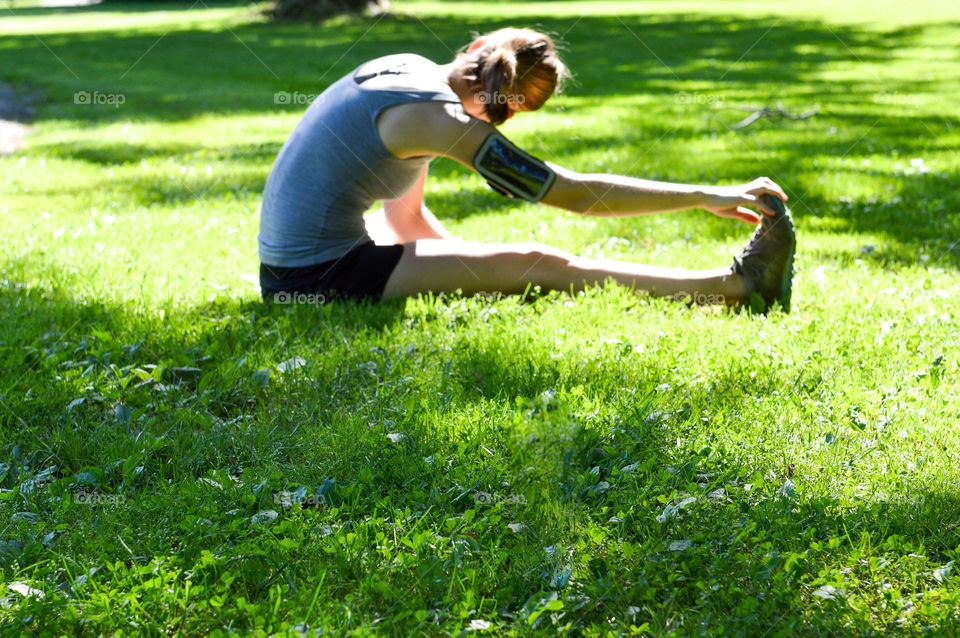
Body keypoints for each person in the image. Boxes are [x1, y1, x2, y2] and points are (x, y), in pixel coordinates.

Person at [258, 27, 796, 312]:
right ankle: (736, 290)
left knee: (509, 263)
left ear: (474, 48)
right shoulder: (439, 121)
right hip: (312, 279)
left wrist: (474, 271)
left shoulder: (408, 68)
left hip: (294, 263)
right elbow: (578, 196)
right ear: (511, 106)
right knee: (538, 262)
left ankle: (734, 288)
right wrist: (706, 192)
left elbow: (406, 219)